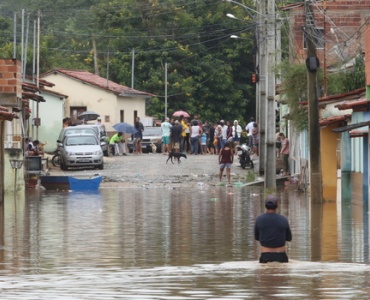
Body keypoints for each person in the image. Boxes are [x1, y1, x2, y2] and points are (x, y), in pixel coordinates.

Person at [254, 195, 292, 263]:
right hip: (281, 255)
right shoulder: (283, 219)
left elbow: (257, 237)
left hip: (265, 255)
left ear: (265, 206)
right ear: (277, 206)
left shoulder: (259, 219)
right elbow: (289, 238)